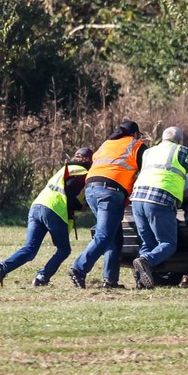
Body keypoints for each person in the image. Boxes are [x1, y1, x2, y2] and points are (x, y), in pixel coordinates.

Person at [0, 147, 94, 288]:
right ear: (87, 159)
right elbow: (68, 193)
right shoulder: (82, 172)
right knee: (64, 250)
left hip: (37, 206)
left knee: (30, 249)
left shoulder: (65, 169)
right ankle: (42, 277)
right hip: (54, 209)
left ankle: (2, 268)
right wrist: (80, 206)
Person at [68, 120, 147, 289]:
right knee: (104, 235)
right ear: (134, 134)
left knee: (114, 237)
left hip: (91, 189)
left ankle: (110, 281)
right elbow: (145, 172)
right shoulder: (136, 145)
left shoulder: (106, 144)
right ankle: (78, 269)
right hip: (110, 192)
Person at [129, 126, 188, 289]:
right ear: (180, 140)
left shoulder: (149, 152)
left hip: (137, 199)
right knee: (168, 243)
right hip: (160, 200)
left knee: (147, 243)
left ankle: (141, 281)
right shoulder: (182, 151)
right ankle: (146, 261)